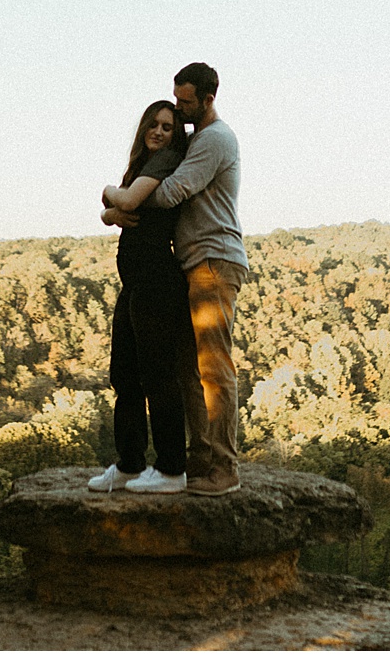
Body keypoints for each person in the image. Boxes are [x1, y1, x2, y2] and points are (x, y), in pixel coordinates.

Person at [105, 62, 245, 497]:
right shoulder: (198, 139)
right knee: (189, 370)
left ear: (208, 99)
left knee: (213, 369)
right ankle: (198, 458)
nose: (181, 109)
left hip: (213, 259)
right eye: (176, 99)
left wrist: (113, 202)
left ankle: (225, 468)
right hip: (190, 264)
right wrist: (115, 210)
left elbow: (168, 193)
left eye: (187, 103)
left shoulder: (215, 140)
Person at [86, 101, 201, 495]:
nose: (159, 132)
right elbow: (121, 208)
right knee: (125, 375)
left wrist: (106, 194)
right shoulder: (142, 165)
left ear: (175, 137)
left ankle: (171, 469)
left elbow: (129, 202)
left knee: (158, 377)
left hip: (157, 283)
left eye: (168, 127)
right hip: (135, 284)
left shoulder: (166, 160)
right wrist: (109, 213)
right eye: (154, 124)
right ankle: (130, 464)